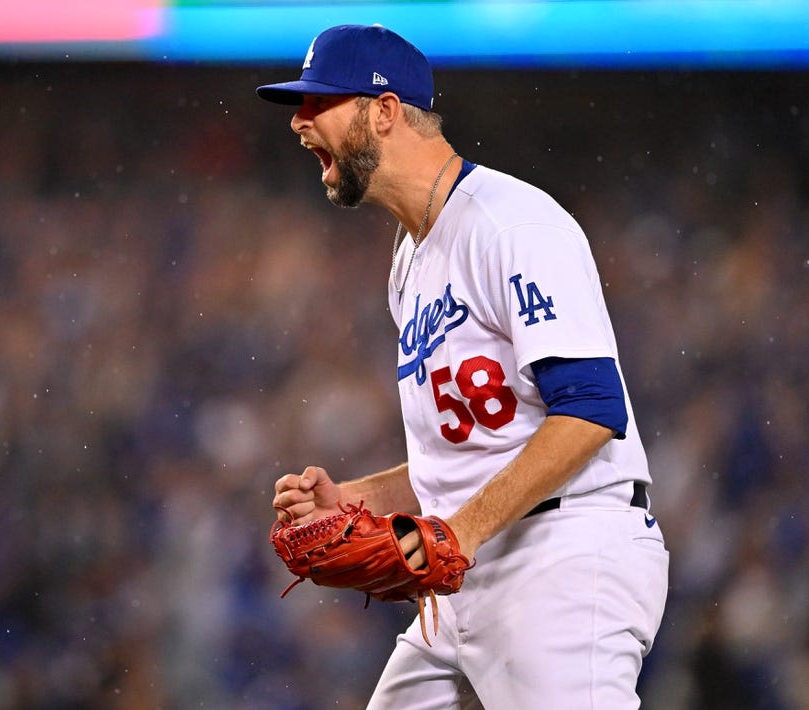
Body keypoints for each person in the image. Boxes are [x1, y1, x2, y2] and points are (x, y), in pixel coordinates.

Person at [257, 24, 669, 708]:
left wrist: (459, 533)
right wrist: (354, 500)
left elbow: (592, 411)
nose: (299, 121)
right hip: (472, 569)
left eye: (318, 101)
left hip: (565, 554)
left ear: (384, 111)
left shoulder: (513, 224)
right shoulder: (409, 259)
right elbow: (461, 464)